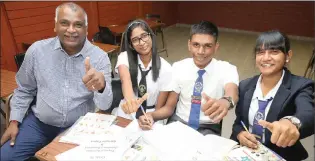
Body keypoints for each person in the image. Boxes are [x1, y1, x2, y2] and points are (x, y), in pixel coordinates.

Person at [0, 2, 113, 161]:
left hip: (77, 127)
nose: (71, 30)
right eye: (65, 23)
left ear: (86, 29)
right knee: (4, 157)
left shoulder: (100, 58)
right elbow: (25, 89)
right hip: (38, 124)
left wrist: (101, 87)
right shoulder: (37, 51)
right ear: (55, 26)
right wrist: (14, 121)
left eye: (78, 25)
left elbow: (105, 106)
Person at [138, 21, 239, 135]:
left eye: (208, 46)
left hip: (208, 127)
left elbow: (232, 93)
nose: (201, 51)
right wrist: (151, 115)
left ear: (216, 47)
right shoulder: (178, 67)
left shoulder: (227, 69)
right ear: (189, 45)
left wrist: (225, 101)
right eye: (196, 45)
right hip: (178, 123)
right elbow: (169, 107)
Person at [230, 30, 314, 161]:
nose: (266, 58)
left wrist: (291, 122)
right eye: (261, 52)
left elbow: (309, 113)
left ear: (287, 55)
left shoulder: (301, 86)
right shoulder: (245, 86)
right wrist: (240, 133)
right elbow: (238, 122)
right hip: (247, 154)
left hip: (280, 155)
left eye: (274, 52)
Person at [113, 19, 172, 121]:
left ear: (151, 36)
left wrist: (151, 119)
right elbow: (125, 80)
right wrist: (130, 102)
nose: (142, 42)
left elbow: (159, 107)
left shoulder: (165, 68)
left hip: (151, 114)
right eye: (135, 40)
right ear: (131, 45)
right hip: (127, 111)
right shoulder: (124, 57)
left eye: (144, 36)